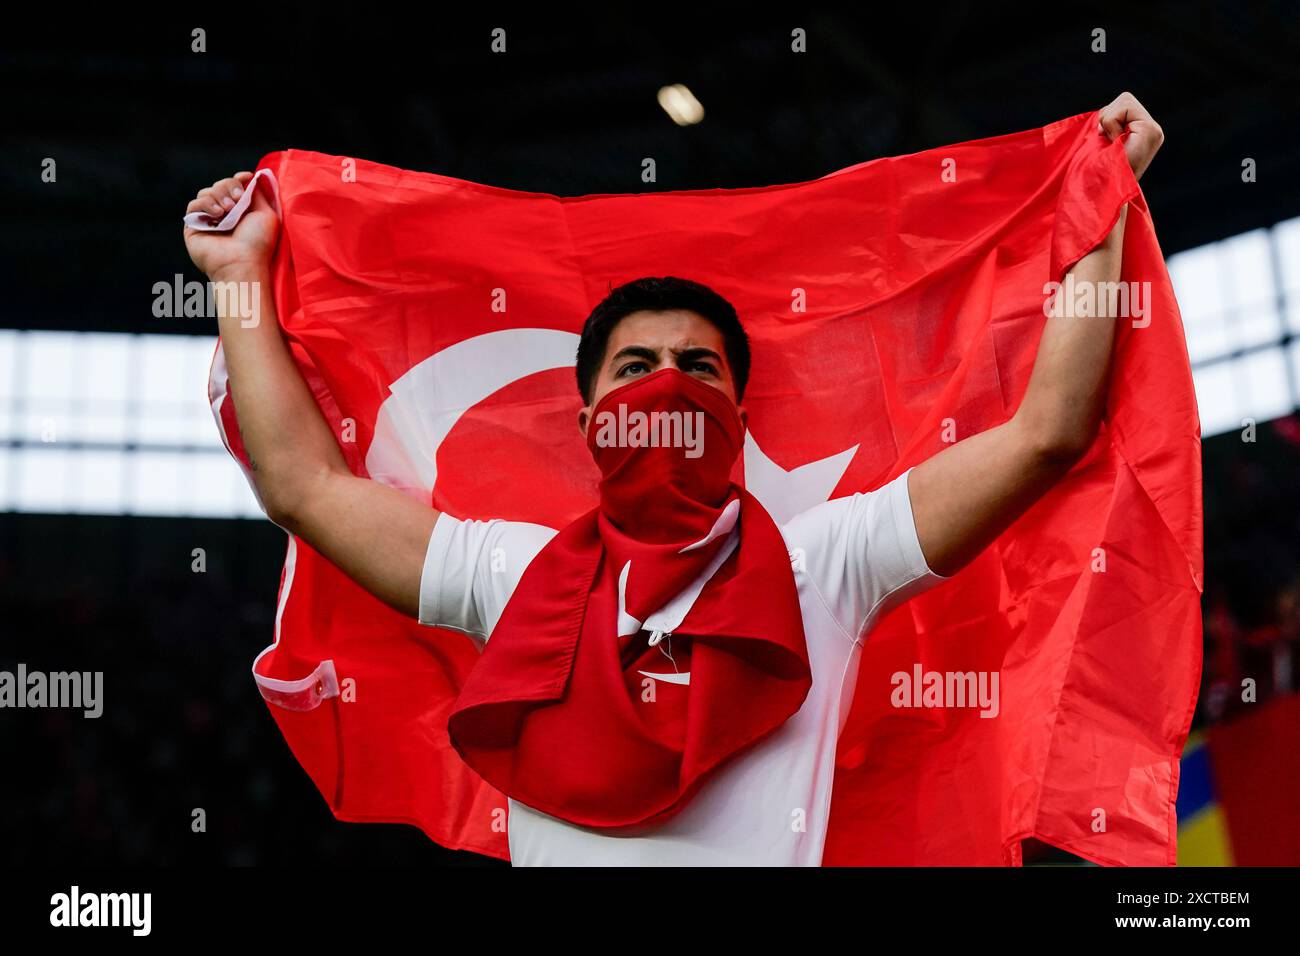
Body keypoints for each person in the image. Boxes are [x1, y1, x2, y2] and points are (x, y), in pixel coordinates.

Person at [183, 92, 1163, 865]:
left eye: (699, 371)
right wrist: (236, 277)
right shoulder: (510, 575)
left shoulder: (828, 564)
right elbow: (300, 483)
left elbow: (1045, 433)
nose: (665, 386)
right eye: (633, 367)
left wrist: (1096, 213)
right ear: (584, 421)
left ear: (736, 417)